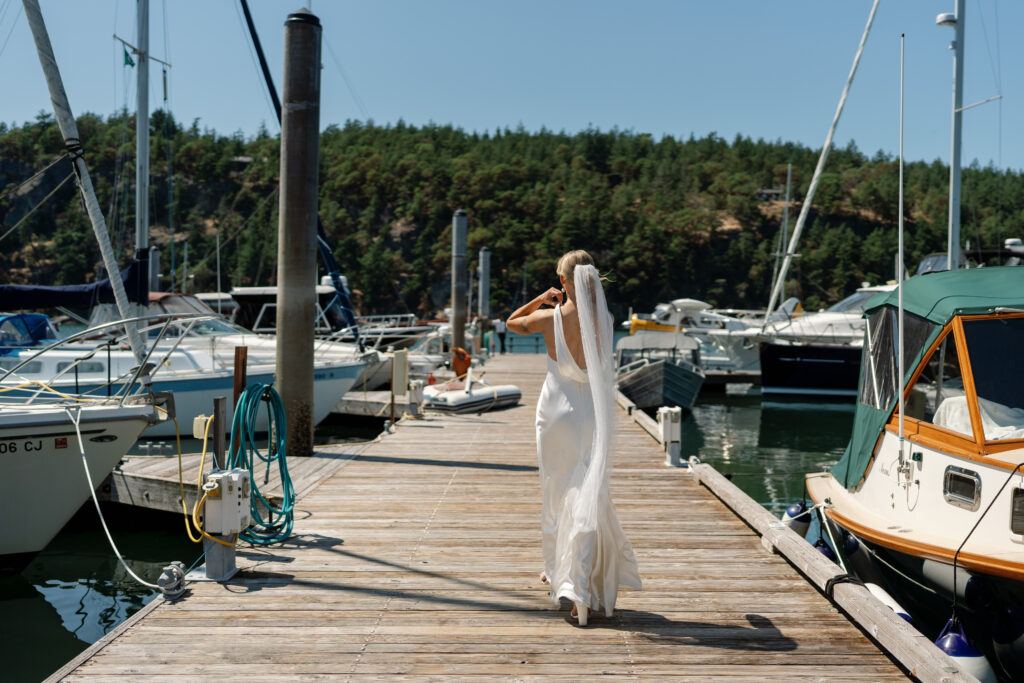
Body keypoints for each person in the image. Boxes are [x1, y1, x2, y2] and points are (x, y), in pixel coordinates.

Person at [506, 250, 641, 625]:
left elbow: (511, 322)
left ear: (564, 282)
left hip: (556, 414)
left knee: (556, 494)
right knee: (588, 496)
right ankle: (579, 586)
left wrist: (542, 299)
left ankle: (562, 579)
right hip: (591, 415)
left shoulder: (551, 318)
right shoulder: (608, 320)